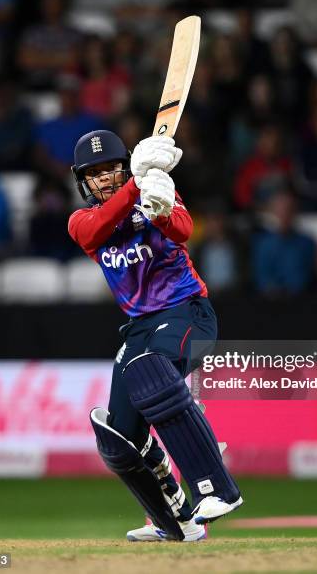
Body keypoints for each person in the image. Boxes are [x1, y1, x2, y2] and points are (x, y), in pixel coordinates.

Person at [68, 130, 242, 542]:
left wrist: (159, 206)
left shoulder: (155, 190)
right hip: (140, 326)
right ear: (83, 182)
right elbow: (95, 230)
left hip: (188, 313)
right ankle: (176, 521)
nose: (105, 178)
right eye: (95, 174)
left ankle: (216, 486)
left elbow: (182, 230)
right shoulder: (81, 221)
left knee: (152, 371)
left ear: (124, 165)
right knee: (119, 436)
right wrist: (135, 185)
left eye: (111, 168)